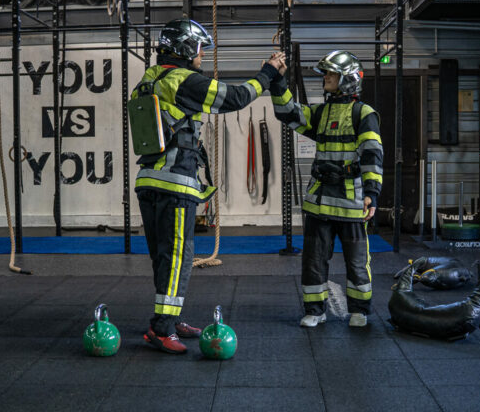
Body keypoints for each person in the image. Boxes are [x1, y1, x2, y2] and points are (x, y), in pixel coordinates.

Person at [134, 18, 287, 353]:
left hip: (149, 181)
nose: (202, 56)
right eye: (200, 49)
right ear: (186, 48)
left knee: (166, 257)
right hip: (174, 183)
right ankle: (161, 329)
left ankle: (169, 320)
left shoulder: (148, 80)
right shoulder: (183, 80)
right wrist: (268, 74)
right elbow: (234, 98)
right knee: (178, 256)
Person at [270, 50, 383, 327]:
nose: (326, 78)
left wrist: (372, 193)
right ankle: (315, 311)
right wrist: (276, 81)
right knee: (313, 260)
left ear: (348, 79)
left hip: (352, 201)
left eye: (331, 74)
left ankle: (359, 310)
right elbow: (288, 112)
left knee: (357, 261)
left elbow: (372, 154)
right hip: (319, 202)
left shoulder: (363, 113)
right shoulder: (322, 112)